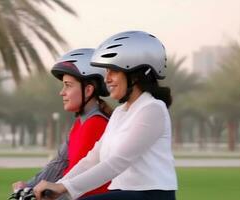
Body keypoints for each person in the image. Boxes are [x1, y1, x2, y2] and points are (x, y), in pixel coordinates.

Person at [33, 31, 178, 200]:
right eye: (107, 71)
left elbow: (117, 162)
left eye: (113, 71)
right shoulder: (120, 112)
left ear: (136, 74)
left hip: (150, 194)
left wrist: (65, 187)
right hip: (122, 193)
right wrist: (60, 187)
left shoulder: (152, 109)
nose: (107, 79)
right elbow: (93, 159)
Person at [12, 48, 112, 199]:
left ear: (88, 90)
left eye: (68, 85)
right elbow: (58, 163)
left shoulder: (96, 125)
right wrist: (29, 185)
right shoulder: (81, 123)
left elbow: (78, 179)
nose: (62, 92)